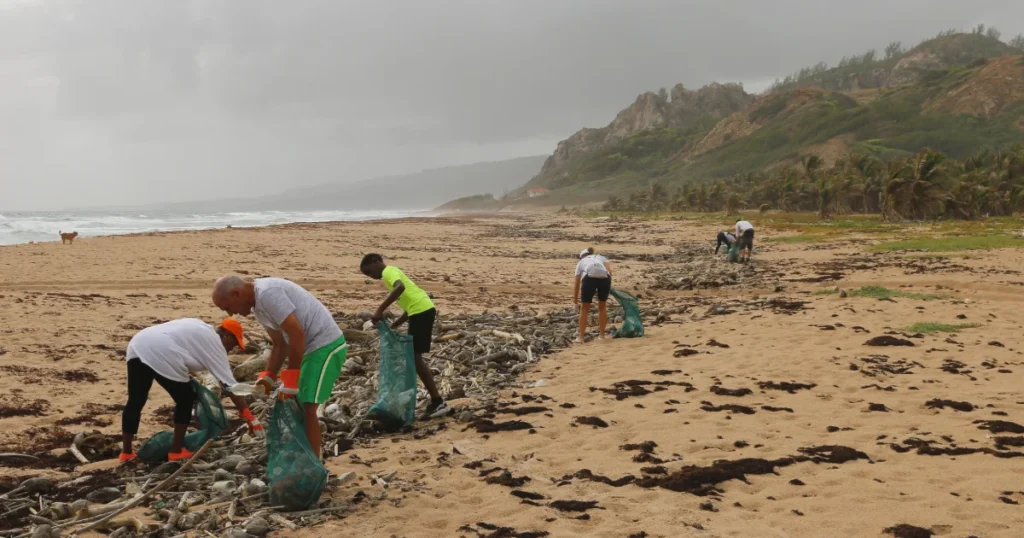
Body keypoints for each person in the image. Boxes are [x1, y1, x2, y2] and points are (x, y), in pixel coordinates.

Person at [212, 276, 347, 459]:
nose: (230, 314)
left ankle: (314, 463)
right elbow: (280, 344)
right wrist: (268, 376)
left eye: (227, 307)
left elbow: (296, 333)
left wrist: (290, 379)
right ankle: (304, 455)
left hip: (326, 345)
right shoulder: (258, 307)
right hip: (311, 349)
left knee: (308, 404)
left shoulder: (268, 293)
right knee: (298, 403)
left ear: (236, 294)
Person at [120, 318, 261, 463]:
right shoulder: (216, 343)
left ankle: (126, 453)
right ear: (226, 335)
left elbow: (182, 345)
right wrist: (249, 417)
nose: (233, 348)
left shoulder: (200, 326)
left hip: (138, 343)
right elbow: (230, 386)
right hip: (162, 350)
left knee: (136, 399)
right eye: (234, 343)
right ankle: (176, 451)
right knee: (186, 399)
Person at [360, 254, 450, 419]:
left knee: (415, 357)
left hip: (422, 311)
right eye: (367, 275)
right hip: (419, 311)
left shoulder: (389, 271)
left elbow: (400, 287)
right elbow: (410, 305)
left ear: (376, 262)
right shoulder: (389, 277)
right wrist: (396, 324)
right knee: (414, 357)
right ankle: (435, 400)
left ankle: (438, 401)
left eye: (369, 271)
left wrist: (380, 310)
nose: (371, 276)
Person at [573, 247, 613, 343]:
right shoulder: (601, 258)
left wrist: (575, 301)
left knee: (584, 308)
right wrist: (607, 285)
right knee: (602, 306)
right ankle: (602, 336)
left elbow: (577, 283)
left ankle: (581, 337)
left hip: (589, 279)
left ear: (582, 256)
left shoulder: (581, 262)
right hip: (605, 279)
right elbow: (610, 272)